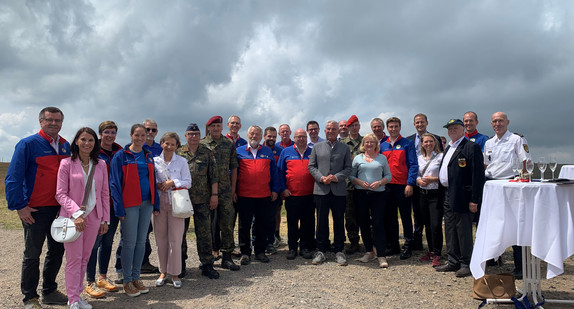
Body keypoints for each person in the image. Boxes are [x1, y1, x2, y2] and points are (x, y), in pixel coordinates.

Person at [5, 107, 70, 308]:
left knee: (57, 251)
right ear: (41, 121)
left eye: (57, 120)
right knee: (32, 254)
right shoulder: (27, 144)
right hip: (35, 210)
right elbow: (13, 178)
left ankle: (49, 291)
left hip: (59, 210)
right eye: (49, 120)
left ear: (62, 122)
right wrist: (20, 206)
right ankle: (30, 297)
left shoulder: (66, 145)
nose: (53, 124)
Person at [55, 127, 110, 309]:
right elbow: (60, 194)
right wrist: (76, 213)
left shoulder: (100, 164)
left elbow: (104, 194)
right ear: (76, 141)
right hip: (73, 219)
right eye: (83, 139)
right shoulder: (67, 164)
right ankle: (72, 299)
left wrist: (105, 219)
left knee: (85, 258)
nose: (87, 143)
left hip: (94, 218)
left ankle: (78, 296)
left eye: (91, 140)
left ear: (96, 143)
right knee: (74, 259)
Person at [110, 124, 160, 297]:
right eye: (137, 135)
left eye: (143, 135)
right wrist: (119, 208)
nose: (140, 138)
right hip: (129, 204)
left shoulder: (148, 156)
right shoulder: (121, 156)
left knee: (141, 242)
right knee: (129, 242)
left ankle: (137, 277)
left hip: (146, 203)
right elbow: (114, 184)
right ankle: (127, 280)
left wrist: (156, 204)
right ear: (131, 135)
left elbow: (152, 181)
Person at [483, 112, 530, 279]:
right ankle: (494, 260)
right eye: (495, 121)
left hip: (511, 184)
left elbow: (526, 162)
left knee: (515, 225)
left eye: (500, 121)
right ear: (491, 124)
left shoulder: (517, 140)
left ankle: (520, 266)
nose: (498, 124)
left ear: (507, 122)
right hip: (492, 185)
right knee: (493, 224)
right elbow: (486, 164)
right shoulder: (489, 142)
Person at [435, 119, 484, 278]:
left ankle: (466, 263)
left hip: (464, 195)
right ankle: (452, 260)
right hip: (448, 194)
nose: (452, 131)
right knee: (449, 228)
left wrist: (474, 200)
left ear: (463, 129)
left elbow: (477, 176)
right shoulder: (449, 147)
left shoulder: (471, 147)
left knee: (463, 230)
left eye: (455, 128)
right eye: (449, 129)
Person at [177, 123, 220, 279]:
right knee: (180, 233)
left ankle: (207, 264)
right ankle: (180, 264)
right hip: (183, 200)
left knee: (204, 233)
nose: (193, 136)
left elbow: (214, 176)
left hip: (203, 200)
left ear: (200, 135)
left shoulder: (207, 153)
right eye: (190, 134)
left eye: (196, 134)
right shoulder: (178, 153)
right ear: (186, 136)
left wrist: (214, 195)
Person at [234, 125, 281, 265]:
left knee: (262, 224)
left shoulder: (267, 151)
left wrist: (275, 190)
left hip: (263, 195)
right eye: (252, 134)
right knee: (244, 225)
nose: (254, 136)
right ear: (248, 135)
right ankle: (245, 253)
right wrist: (233, 191)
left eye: (257, 134)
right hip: (244, 195)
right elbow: (234, 174)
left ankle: (260, 251)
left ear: (261, 137)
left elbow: (274, 172)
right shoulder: (239, 151)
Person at [85, 121, 121, 298]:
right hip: (95, 204)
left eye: (113, 132)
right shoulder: (92, 151)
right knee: (94, 243)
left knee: (107, 242)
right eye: (106, 132)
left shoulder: (120, 151)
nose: (110, 135)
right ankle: (90, 281)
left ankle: (102, 277)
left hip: (113, 204)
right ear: (100, 134)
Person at [308, 120, 352, 266]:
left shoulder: (345, 148)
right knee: (321, 221)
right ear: (324, 131)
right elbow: (311, 166)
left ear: (338, 131)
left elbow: (348, 168)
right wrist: (321, 178)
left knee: (339, 220)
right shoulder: (317, 147)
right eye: (328, 129)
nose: (331, 131)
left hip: (338, 190)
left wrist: (336, 177)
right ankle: (321, 250)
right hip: (321, 190)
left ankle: (339, 250)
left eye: (334, 129)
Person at [152, 132, 191, 289]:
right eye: (166, 143)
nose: (169, 146)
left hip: (177, 202)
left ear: (177, 146)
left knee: (175, 240)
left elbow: (188, 182)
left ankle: (175, 273)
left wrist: (172, 182)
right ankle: (163, 272)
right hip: (159, 203)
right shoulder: (154, 161)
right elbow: (150, 180)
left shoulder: (182, 161)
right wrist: (157, 184)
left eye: (172, 144)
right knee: (160, 239)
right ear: (161, 143)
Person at [201, 116, 240, 271]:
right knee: (206, 225)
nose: (216, 128)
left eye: (218, 125)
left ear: (222, 127)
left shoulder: (228, 144)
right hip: (205, 191)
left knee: (227, 224)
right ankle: (208, 258)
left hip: (224, 190)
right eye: (213, 126)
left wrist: (233, 189)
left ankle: (227, 257)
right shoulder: (202, 144)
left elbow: (234, 167)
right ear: (209, 128)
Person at [349, 134, 392, 268]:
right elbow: (351, 175)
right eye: (366, 142)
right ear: (363, 144)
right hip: (361, 193)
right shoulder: (357, 158)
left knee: (378, 223)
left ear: (375, 144)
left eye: (371, 142)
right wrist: (359, 182)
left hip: (378, 195)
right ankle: (369, 251)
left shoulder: (382, 158)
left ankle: (381, 254)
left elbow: (389, 176)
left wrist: (380, 182)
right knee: (364, 223)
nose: (369, 144)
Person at [380, 117, 418, 260]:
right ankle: (394, 245)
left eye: (396, 126)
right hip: (387, 186)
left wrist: (410, 183)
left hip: (403, 186)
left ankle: (408, 246)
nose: (393, 129)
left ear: (400, 127)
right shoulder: (383, 145)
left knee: (406, 217)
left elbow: (413, 164)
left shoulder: (407, 143)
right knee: (390, 217)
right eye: (391, 127)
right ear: (387, 129)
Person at [406, 113, 443, 251]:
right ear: (414, 124)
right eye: (417, 122)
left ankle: (435, 250)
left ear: (427, 123)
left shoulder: (435, 139)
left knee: (433, 220)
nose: (420, 125)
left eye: (422, 122)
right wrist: (415, 180)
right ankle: (418, 242)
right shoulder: (408, 140)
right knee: (418, 213)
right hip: (416, 182)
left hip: (434, 188)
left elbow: (442, 165)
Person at [277, 129, 316, 260]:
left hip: (309, 195)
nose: (301, 139)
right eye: (298, 137)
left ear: (307, 138)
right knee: (292, 223)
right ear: (294, 138)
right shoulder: (286, 152)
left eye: (303, 137)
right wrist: (283, 189)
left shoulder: (313, 152)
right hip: (291, 195)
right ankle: (292, 248)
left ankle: (304, 248)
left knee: (307, 223)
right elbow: (279, 172)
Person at [415, 133, 444, 268]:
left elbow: (445, 176)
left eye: (431, 141)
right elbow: (416, 174)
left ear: (435, 142)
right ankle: (431, 251)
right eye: (425, 142)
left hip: (435, 194)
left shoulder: (440, 157)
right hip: (422, 193)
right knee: (427, 224)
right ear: (422, 144)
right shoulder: (419, 158)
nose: (428, 144)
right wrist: (419, 180)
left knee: (436, 224)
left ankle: (438, 253)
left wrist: (433, 179)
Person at [138, 119, 161, 274]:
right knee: (138, 232)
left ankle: (145, 262)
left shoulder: (161, 148)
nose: (150, 133)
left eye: (153, 130)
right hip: (141, 196)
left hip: (158, 196)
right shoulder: (137, 148)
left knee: (152, 231)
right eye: (147, 130)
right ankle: (137, 263)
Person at [340, 115, 363, 254]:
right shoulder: (341, 144)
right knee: (349, 216)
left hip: (364, 184)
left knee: (366, 214)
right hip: (347, 185)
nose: (354, 128)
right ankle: (354, 242)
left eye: (356, 125)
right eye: (352, 126)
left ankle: (369, 241)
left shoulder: (366, 141)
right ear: (348, 128)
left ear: (359, 126)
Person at [263, 127, 284, 254]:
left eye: (274, 137)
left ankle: (271, 241)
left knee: (272, 218)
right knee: (259, 219)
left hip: (274, 190)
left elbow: (280, 171)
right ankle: (259, 242)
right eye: (269, 136)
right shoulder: (259, 149)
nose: (271, 139)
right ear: (264, 137)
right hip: (260, 190)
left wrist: (278, 189)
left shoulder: (280, 151)